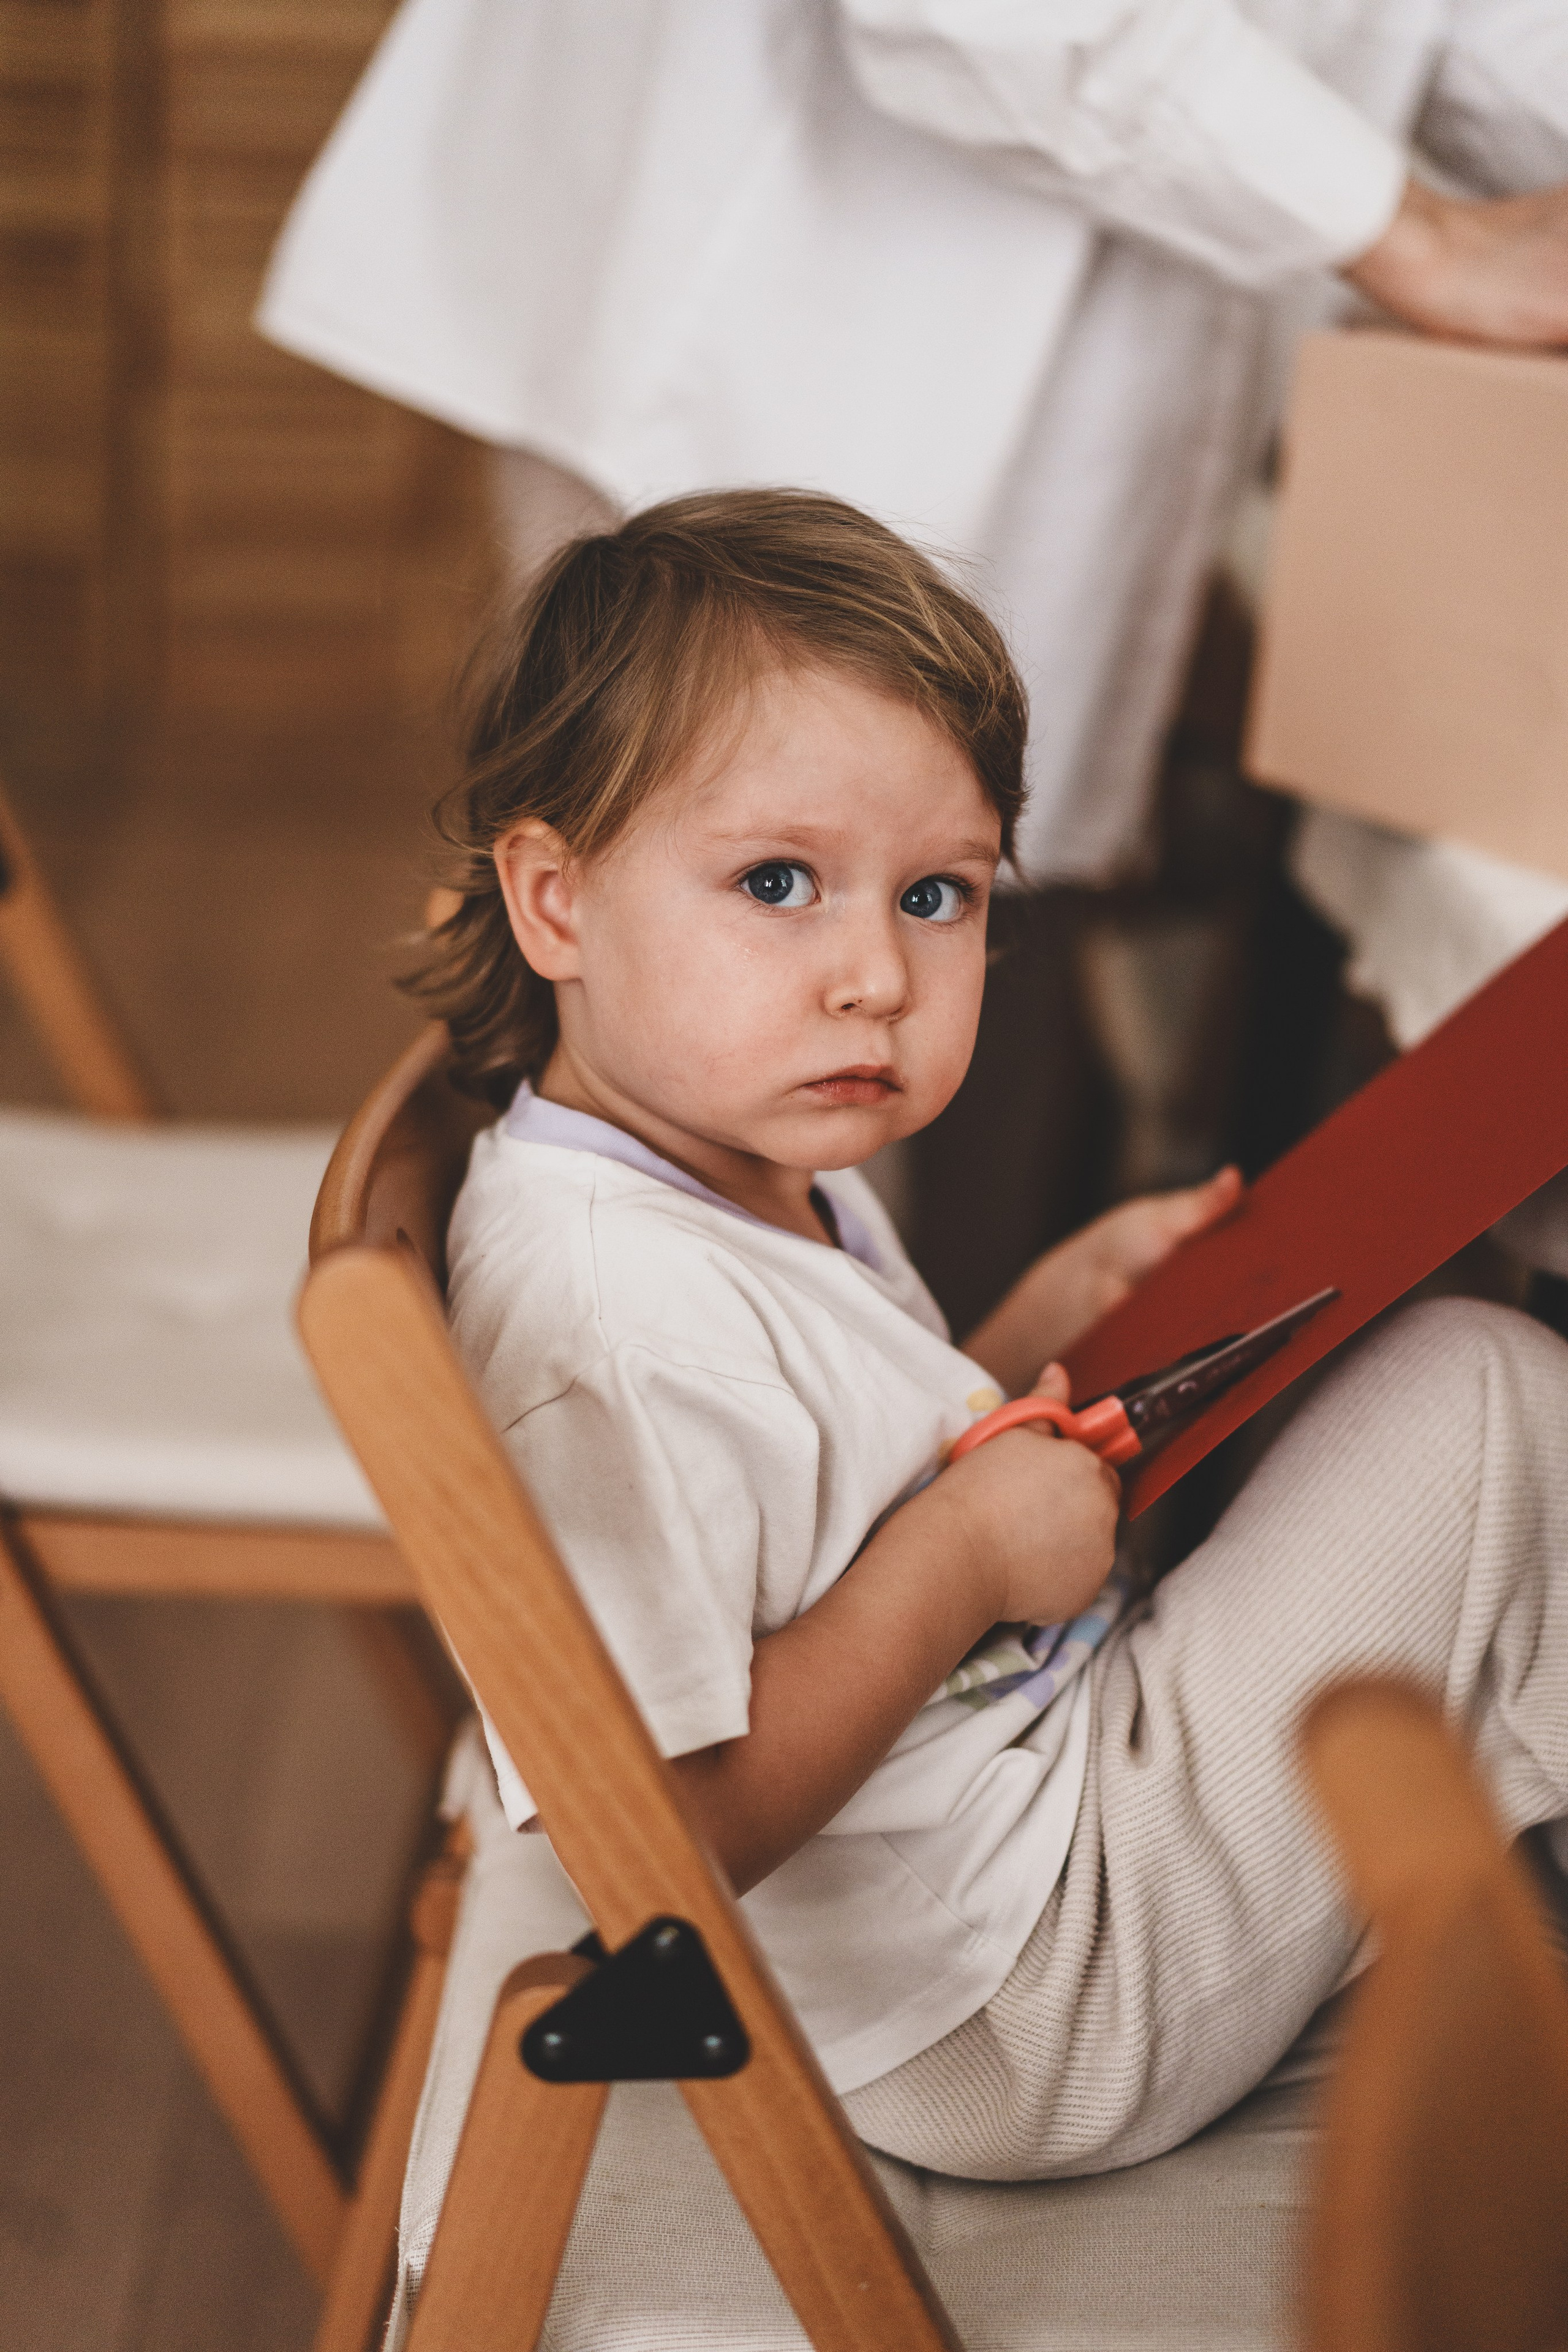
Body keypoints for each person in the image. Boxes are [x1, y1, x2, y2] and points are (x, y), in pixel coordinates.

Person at [418, 489, 1568, 2175]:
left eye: (938, 896)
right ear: (558, 902)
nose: (874, 973)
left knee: (1461, 1418)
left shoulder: (717, 1154)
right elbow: (661, 1832)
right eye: (781, 880)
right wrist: (960, 1556)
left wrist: (1027, 1331)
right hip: (1018, 1996)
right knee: (1484, 1404)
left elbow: (805, 1491)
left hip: (1010, 1883)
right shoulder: (610, 1319)